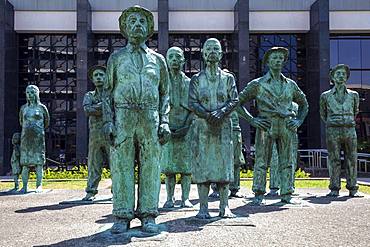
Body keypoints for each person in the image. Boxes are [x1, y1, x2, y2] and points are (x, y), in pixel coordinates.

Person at [102, 5, 170, 233]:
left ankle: (149, 215)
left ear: (149, 28)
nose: (137, 25)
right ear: (124, 28)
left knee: (151, 166)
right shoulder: (117, 58)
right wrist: (108, 120)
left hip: (150, 116)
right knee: (122, 166)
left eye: (142, 21)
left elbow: (165, 93)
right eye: (132, 21)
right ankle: (122, 215)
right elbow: (107, 92)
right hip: (123, 115)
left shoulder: (158, 60)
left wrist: (165, 121)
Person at [237, 47, 308, 205]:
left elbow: (304, 104)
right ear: (268, 62)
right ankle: (258, 193)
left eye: (280, 58)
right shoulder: (258, 84)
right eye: (274, 58)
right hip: (266, 124)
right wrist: (252, 120)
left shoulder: (290, 85)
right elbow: (238, 103)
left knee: (287, 160)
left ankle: (287, 193)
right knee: (262, 161)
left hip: (285, 125)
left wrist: (298, 120)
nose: (278, 60)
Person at [189, 38, 239, 219]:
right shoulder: (196, 79)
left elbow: (234, 100)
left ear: (220, 54)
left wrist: (221, 112)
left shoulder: (228, 78)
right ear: (202, 53)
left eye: (215, 49)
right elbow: (192, 102)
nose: (211, 51)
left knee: (224, 165)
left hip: (223, 127)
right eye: (208, 49)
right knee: (203, 166)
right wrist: (206, 114)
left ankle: (224, 206)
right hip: (202, 128)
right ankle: (203, 208)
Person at [320, 64, 362, 197]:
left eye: (344, 74)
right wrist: (333, 122)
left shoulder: (353, 95)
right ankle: (334, 187)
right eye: (338, 73)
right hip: (333, 130)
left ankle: (352, 187)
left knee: (352, 158)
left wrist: (347, 121)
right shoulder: (325, 96)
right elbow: (323, 113)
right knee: (334, 159)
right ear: (332, 77)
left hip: (349, 129)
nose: (341, 76)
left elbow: (355, 110)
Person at [162, 47, 193, 208]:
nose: (174, 59)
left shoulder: (189, 83)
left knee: (186, 168)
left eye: (177, 56)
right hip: (167, 128)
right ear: (167, 60)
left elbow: (194, 108)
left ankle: (185, 198)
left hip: (185, 129)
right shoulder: (162, 82)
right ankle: (169, 198)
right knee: (169, 168)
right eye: (171, 56)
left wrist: (186, 126)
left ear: (183, 61)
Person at [82, 65, 110, 201]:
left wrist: (96, 107)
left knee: (115, 165)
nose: (99, 77)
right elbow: (87, 111)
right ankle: (91, 191)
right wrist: (104, 106)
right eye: (96, 75)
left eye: (101, 75)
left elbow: (115, 109)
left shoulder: (112, 94)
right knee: (94, 164)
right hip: (95, 136)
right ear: (92, 79)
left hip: (110, 134)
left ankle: (117, 192)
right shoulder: (89, 95)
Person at [19, 85, 50, 193]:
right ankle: (24, 186)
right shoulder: (23, 108)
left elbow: (47, 122)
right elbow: (21, 121)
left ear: (37, 94)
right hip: (26, 138)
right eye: (28, 93)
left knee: (39, 162)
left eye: (32, 92)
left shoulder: (42, 108)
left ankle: (39, 185)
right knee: (25, 163)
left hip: (38, 139)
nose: (30, 95)